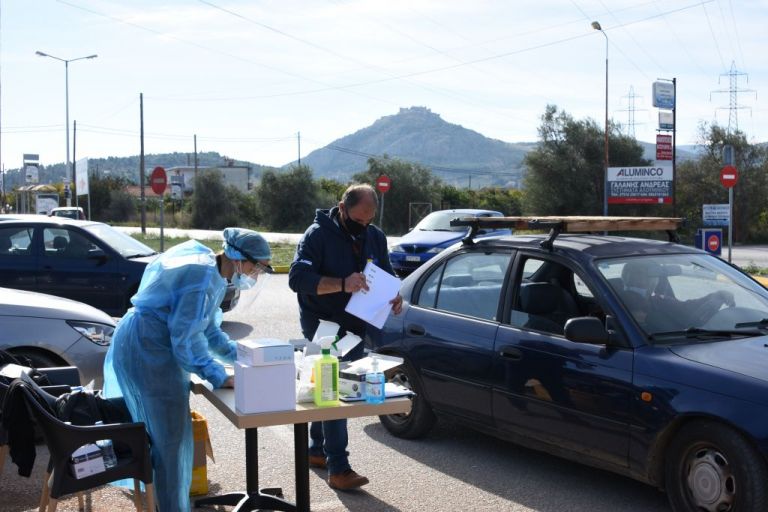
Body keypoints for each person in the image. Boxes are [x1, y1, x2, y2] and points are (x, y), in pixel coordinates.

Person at [103, 228, 273, 511]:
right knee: (169, 443)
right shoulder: (202, 277)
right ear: (239, 259)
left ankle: (168, 504)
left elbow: (208, 330)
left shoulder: (214, 274)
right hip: (149, 351)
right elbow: (185, 340)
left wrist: (243, 357)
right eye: (256, 267)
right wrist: (219, 375)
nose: (255, 275)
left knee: (170, 440)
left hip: (150, 346)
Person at [288, 183, 402, 491]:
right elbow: (297, 279)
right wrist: (342, 283)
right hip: (322, 323)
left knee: (328, 386)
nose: (363, 227)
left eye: (369, 220)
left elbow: (386, 273)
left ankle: (315, 450)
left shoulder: (375, 236)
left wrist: (394, 295)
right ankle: (338, 466)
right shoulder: (317, 235)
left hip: (357, 323)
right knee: (336, 390)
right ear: (342, 208)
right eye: (358, 220)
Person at [619, 259, 734, 332]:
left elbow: (687, 307)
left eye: (652, 276)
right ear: (627, 277)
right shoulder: (619, 302)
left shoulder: (658, 301)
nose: (653, 280)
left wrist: (716, 295)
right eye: (639, 274)